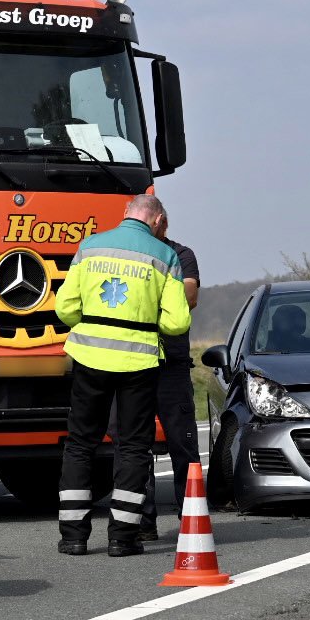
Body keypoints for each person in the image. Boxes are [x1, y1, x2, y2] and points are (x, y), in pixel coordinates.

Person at [56, 194, 192, 557]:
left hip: (90, 357)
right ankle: (123, 537)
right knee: (133, 447)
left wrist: (93, 322)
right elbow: (177, 322)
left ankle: (73, 537)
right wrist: (148, 322)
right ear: (158, 220)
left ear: (126, 213)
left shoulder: (90, 247)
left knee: (80, 444)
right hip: (138, 362)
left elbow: (65, 309)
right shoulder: (165, 256)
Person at [136, 210, 199, 540]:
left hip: (172, 365)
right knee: (135, 447)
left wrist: (143, 297)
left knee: (183, 445)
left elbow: (189, 298)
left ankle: (192, 521)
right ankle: (142, 523)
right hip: (136, 362)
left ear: (161, 222)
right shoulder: (133, 254)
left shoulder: (182, 255)